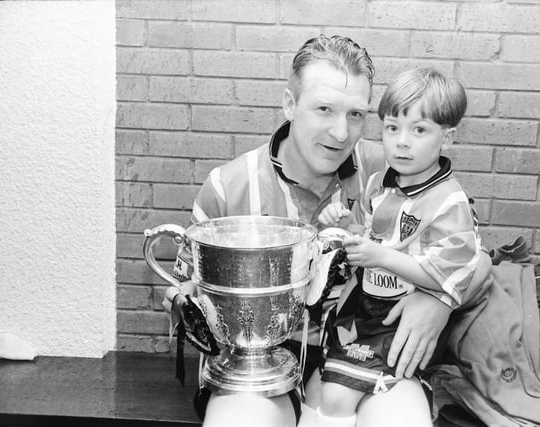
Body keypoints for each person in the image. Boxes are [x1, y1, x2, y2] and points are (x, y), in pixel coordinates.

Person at [165, 35, 490, 427]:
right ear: (290, 104)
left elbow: (480, 262)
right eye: (324, 109)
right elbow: (184, 289)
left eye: (356, 115)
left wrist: (438, 301)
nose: (341, 133)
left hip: (369, 352)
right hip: (257, 369)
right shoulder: (227, 188)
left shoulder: (390, 167)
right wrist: (183, 306)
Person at [310, 68, 489, 427]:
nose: (402, 142)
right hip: (362, 311)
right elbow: (370, 234)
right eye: (392, 128)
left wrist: (381, 258)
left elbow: (445, 276)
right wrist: (347, 226)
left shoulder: (449, 201)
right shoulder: (379, 183)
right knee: (323, 393)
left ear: (448, 138)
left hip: (400, 321)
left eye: (419, 130)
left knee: (336, 395)